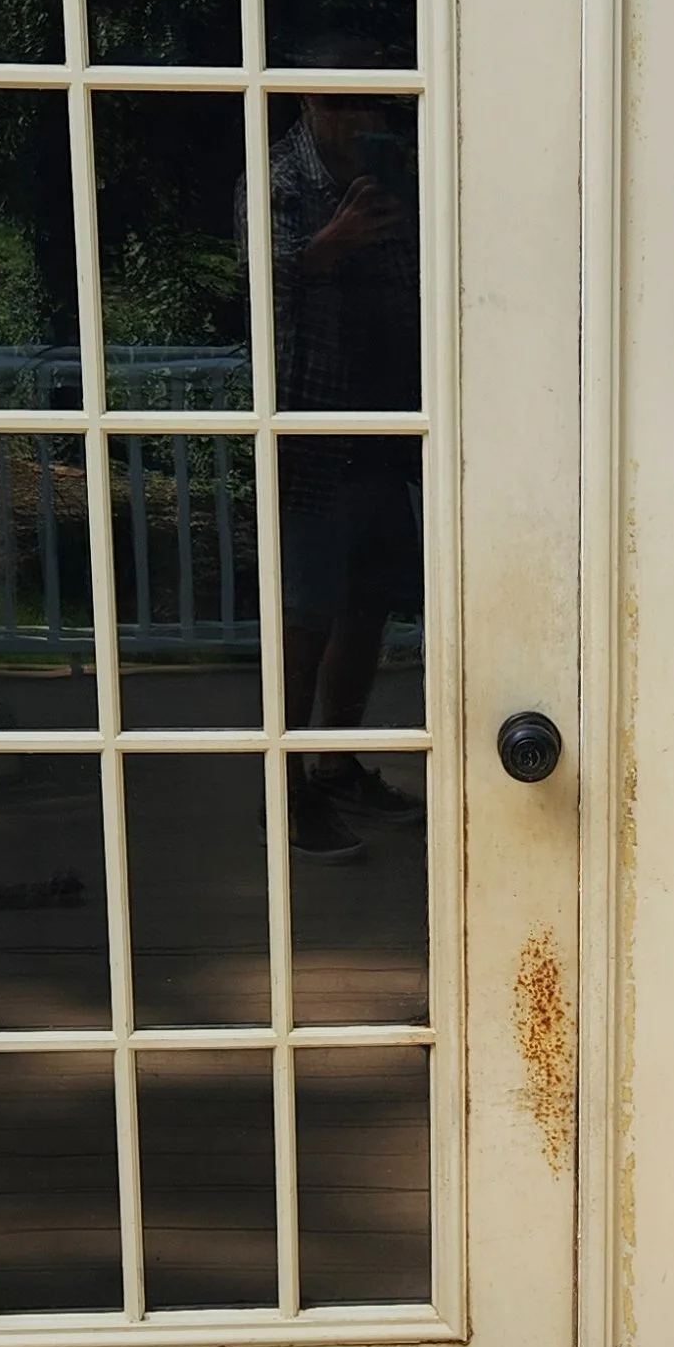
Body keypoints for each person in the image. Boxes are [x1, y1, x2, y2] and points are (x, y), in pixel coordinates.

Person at [238, 61, 424, 860]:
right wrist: (327, 245)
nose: (352, 116)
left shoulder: (402, 165)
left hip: (390, 417)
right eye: (335, 100)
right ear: (306, 100)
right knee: (305, 614)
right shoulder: (277, 178)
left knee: (370, 600)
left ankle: (335, 762)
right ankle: (283, 799)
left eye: (364, 100)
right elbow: (258, 286)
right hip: (308, 424)